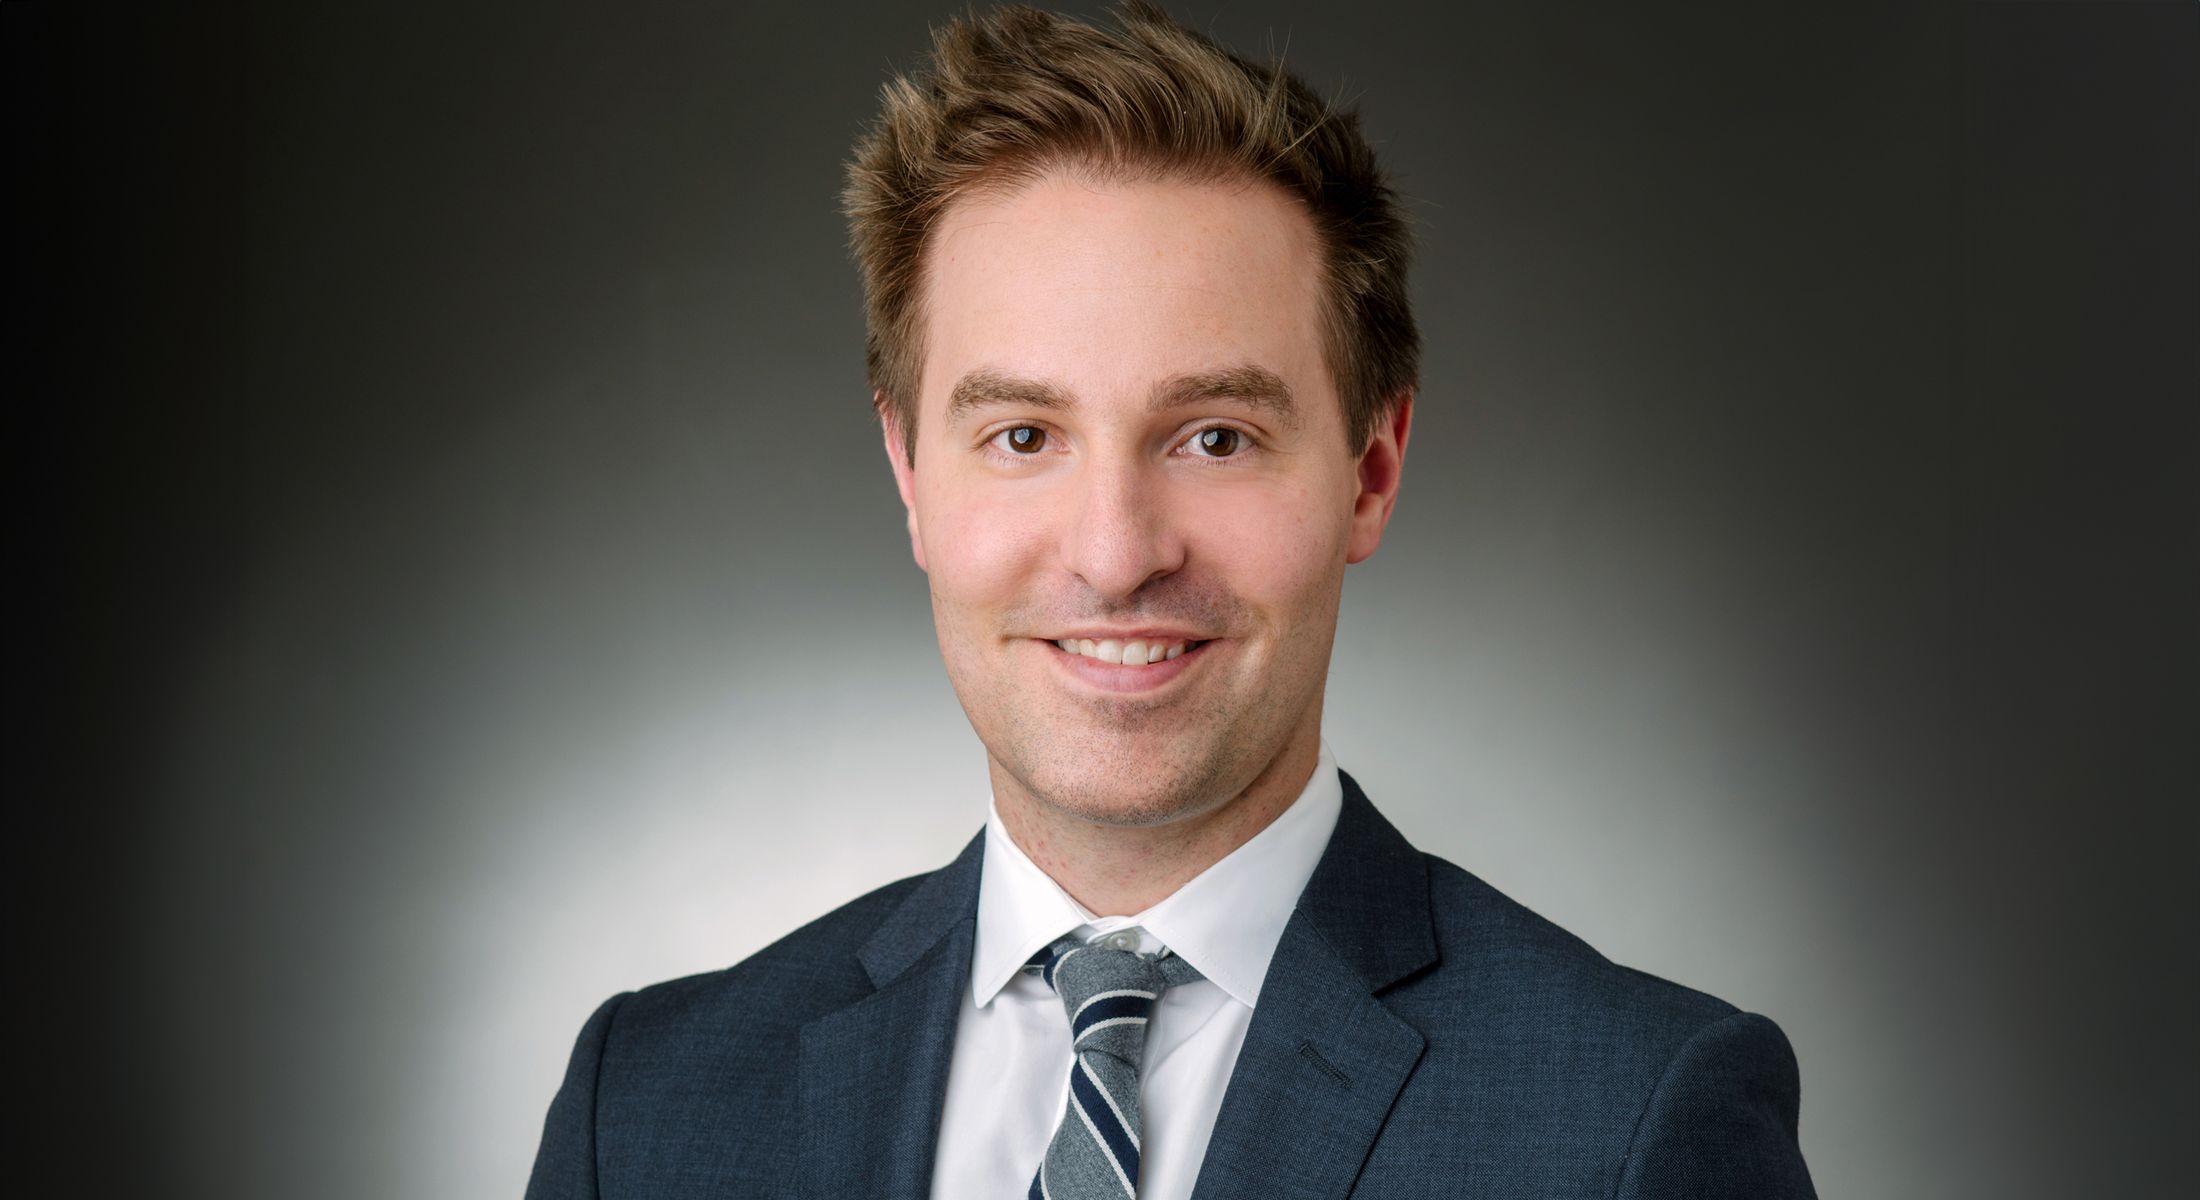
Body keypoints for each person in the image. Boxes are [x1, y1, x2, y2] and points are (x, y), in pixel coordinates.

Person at [525, 3, 1817, 1196]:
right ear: (910, 474)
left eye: (1214, 436)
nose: (1115, 552)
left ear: (1370, 473)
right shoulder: (645, 1105)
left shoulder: (1635, 1119)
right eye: (1025, 435)